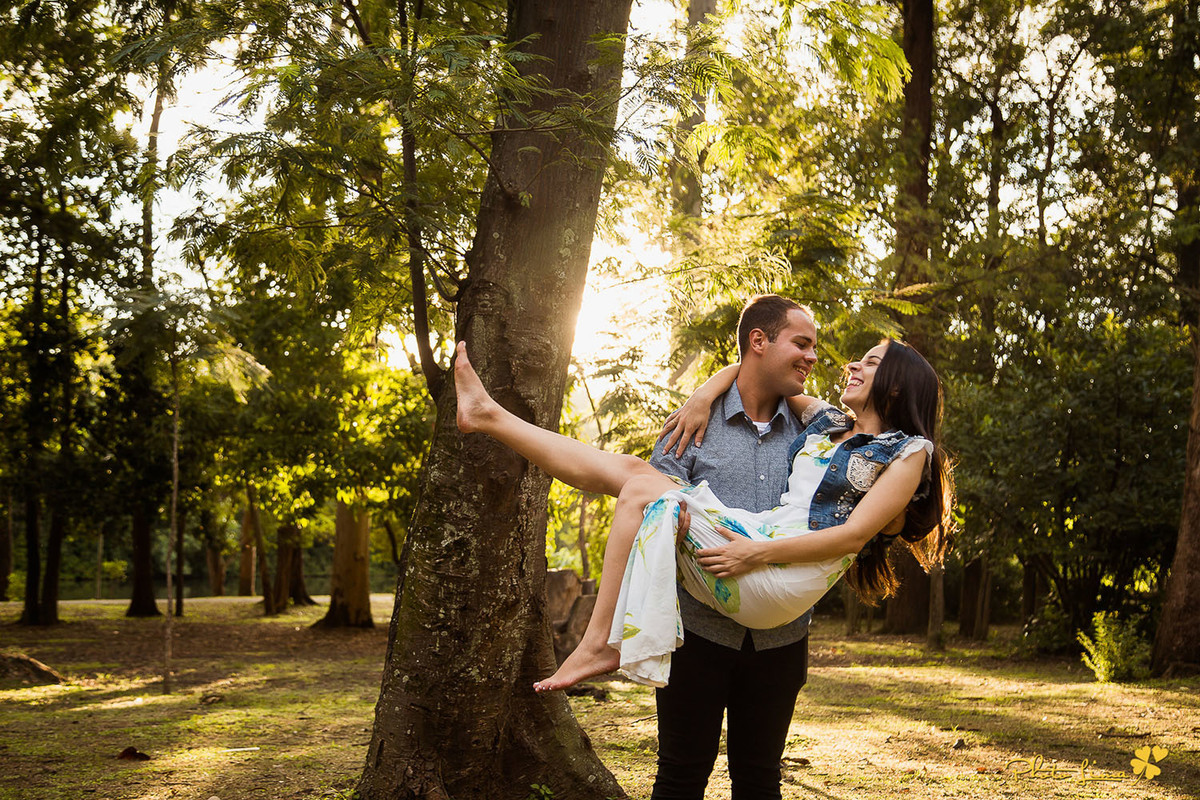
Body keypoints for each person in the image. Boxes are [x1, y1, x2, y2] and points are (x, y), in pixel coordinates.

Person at [452, 299, 953, 796]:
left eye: (863, 360)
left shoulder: (819, 425)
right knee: (680, 774)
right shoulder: (703, 423)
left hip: (777, 632)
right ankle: (491, 418)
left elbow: (859, 526)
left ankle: (601, 637)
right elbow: (738, 373)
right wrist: (705, 394)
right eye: (801, 343)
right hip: (701, 632)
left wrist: (753, 552)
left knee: (759, 779)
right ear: (760, 341)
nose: (821, 359)